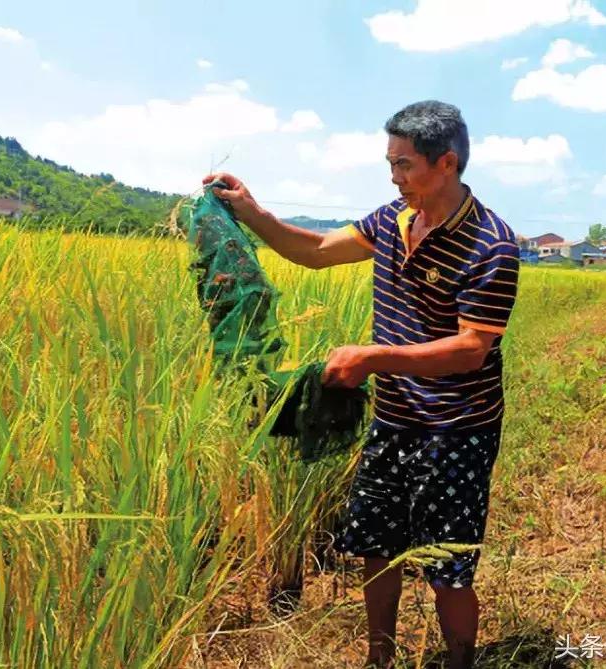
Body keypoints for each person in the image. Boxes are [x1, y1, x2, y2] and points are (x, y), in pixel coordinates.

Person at [203, 99, 520, 669]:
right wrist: (250, 212)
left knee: (447, 567)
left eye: (404, 165)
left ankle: (460, 661)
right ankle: (380, 658)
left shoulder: (490, 245)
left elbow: (472, 350)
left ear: (445, 163)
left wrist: (373, 358)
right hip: (394, 419)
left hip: (455, 429)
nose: (394, 176)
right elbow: (318, 250)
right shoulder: (392, 219)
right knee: (377, 547)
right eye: (390, 163)